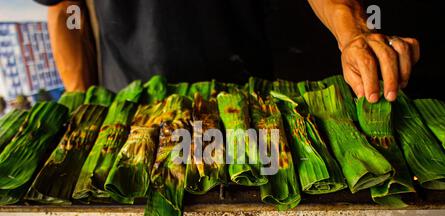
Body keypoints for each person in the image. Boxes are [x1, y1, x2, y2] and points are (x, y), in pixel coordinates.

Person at [36, 0, 419, 103]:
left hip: (245, 91)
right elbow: (63, 8)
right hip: (133, 95)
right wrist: (82, 101)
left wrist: (352, 33)